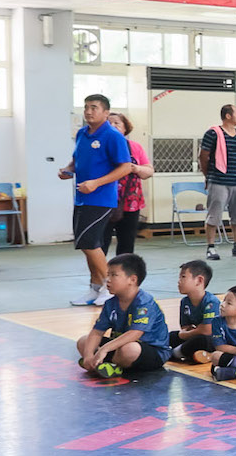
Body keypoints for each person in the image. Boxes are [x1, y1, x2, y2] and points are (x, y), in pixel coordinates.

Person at [60, 95, 136, 307]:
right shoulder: (82, 134)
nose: (88, 111)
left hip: (101, 199)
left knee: (90, 244)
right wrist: (67, 170)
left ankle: (110, 288)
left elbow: (125, 167)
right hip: (81, 198)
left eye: (94, 107)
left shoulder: (113, 136)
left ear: (106, 112)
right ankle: (94, 288)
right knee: (86, 245)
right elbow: (76, 160)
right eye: (86, 107)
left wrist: (96, 183)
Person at [75, 253, 168, 379]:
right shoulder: (110, 303)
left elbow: (135, 334)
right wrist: (88, 355)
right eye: (108, 274)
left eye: (114, 275)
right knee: (83, 341)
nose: (108, 280)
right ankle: (103, 364)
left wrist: (104, 349)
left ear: (132, 280)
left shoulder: (144, 303)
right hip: (119, 347)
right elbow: (97, 332)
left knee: (129, 349)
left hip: (150, 352)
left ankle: (112, 365)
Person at [201, 104, 236, 261]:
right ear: (228, 116)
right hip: (218, 181)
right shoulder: (213, 133)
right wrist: (208, 175)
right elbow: (203, 156)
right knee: (214, 215)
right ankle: (211, 247)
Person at [106, 112, 154, 257]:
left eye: (117, 123)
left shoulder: (135, 147)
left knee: (126, 243)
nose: (113, 126)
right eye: (109, 123)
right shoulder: (100, 146)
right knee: (100, 243)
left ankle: (123, 269)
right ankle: (100, 270)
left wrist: (135, 168)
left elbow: (148, 172)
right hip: (104, 201)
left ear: (125, 128)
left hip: (130, 202)